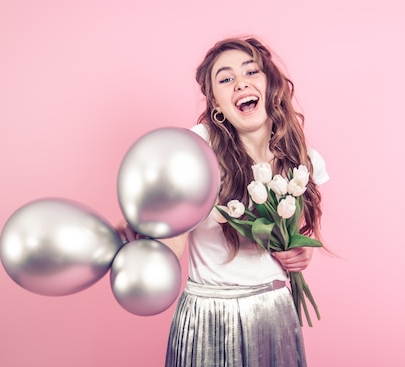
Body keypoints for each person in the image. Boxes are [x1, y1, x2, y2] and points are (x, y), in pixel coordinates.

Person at [116, 36, 329, 367]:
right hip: (209, 315)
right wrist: (145, 236)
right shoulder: (198, 149)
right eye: (225, 79)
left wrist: (302, 252)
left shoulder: (302, 157)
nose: (240, 83)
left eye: (251, 71)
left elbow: (294, 235)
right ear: (216, 103)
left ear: (270, 83)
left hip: (274, 312)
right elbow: (174, 239)